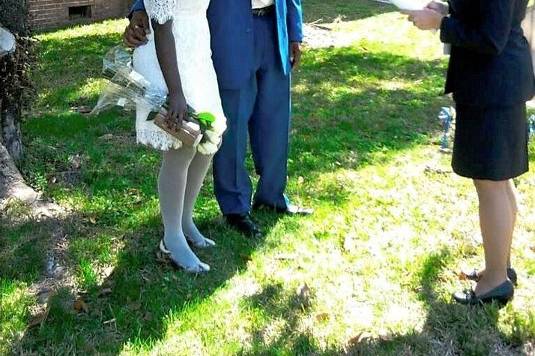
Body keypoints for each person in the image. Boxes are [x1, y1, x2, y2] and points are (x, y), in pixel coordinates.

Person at [124, 0, 311, 239]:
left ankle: (272, 197)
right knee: (232, 122)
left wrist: (294, 31)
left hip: (275, 25)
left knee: (276, 119)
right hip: (228, 29)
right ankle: (235, 207)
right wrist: (139, 8)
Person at [405, 0, 534, 305]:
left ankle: (495, 281)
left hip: (493, 86)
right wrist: (450, 10)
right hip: (496, 84)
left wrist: (440, 25)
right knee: (498, 182)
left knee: (491, 184)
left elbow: (490, 37)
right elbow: (486, 15)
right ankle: (498, 265)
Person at [133, 0, 227, 273]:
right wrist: (176, 92)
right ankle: (171, 237)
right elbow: (162, 26)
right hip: (169, 62)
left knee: (206, 139)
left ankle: (186, 222)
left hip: (196, 53)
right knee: (180, 148)